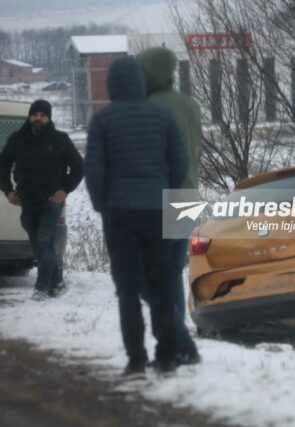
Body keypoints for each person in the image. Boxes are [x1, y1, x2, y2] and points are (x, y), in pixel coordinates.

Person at [85, 56, 188, 376]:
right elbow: (180, 162)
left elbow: (95, 169)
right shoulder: (163, 115)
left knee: (127, 288)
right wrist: (167, 193)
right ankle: (167, 357)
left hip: (119, 213)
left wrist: (102, 204)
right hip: (157, 210)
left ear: (112, 85)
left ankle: (137, 359)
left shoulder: (102, 120)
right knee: (162, 284)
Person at [137, 47, 202, 366]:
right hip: (189, 196)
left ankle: (181, 342)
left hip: (160, 199)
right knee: (171, 274)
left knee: (150, 280)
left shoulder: (148, 107)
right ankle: (177, 345)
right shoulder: (190, 105)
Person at [0, 100, 83, 301]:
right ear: (30, 117)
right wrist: (9, 191)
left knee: (45, 242)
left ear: (48, 118)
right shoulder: (18, 138)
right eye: (35, 115)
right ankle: (57, 282)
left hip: (51, 201)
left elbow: (79, 166)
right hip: (27, 201)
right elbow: (3, 164)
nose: (38, 119)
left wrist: (64, 190)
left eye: (42, 115)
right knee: (38, 244)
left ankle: (41, 288)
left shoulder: (60, 140)